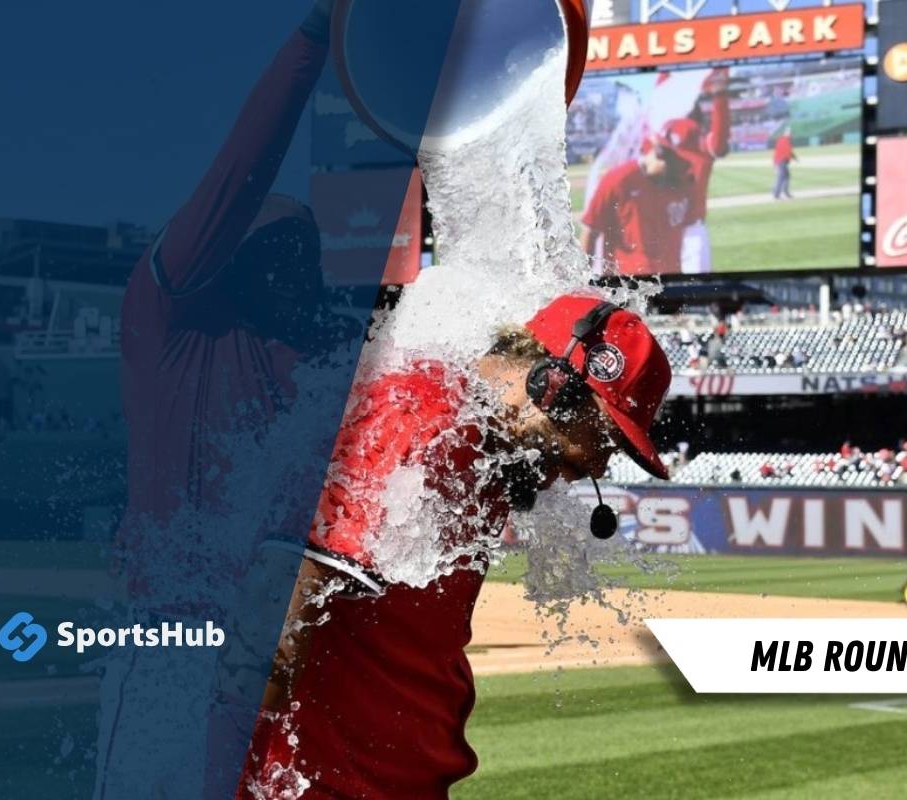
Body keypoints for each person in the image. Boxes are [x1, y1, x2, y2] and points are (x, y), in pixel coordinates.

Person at [239, 295, 673, 799]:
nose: (598, 467)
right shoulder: (417, 419)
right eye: (604, 437)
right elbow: (270, 632)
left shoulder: (492, 454)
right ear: (554, 389)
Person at [100, 2, 356, 797]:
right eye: (282, 257)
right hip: (171, 646)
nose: (300, 273)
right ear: (232, 263)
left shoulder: (319, 359)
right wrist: (313, 40)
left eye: (308, 260)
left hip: (270, 661)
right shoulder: (167, 320)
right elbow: (235, 179)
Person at [580, 134, 702, 276]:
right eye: (677, 165)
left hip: (670, 279)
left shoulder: (683, 182)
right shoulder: (619, 179)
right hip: (627, 283)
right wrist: (584, 279)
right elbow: (590, 230)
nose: (680, 171)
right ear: (660, 155)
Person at [660, 67, 731, 275]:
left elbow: (718, 139)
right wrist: (720, 95)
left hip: (680, 229)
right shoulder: (667, 143)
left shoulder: (695, 143)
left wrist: (720, 96)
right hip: (677, 229)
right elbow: (719, 138)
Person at [772, 127, 797, 200]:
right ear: (786, 133)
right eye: (789, 132)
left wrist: (794, 157)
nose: (791, 134)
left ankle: (783, 192)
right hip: (781, 161)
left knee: (786, 177)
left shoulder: (784, 139)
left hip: (781, 161)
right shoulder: (784, 140)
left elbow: (789, 151)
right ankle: (777, 194)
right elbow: (788, 151)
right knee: (781, 177)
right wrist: (793, 157)